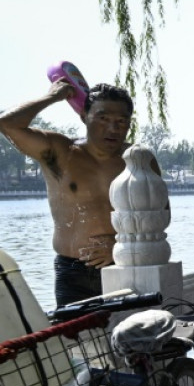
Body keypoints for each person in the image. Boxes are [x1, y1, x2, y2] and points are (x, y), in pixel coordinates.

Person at [0, 79, 154, 306]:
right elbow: (7, 124)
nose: (113, 128)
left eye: (122, 121)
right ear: (84, 116)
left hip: (128, 263)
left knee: (133, 337)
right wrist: (52, 97)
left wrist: (118, 244)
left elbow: (161, 214)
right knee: (76, 339)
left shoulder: (139, 160)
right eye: (103, 119)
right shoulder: (60, 151)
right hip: (74, 273)